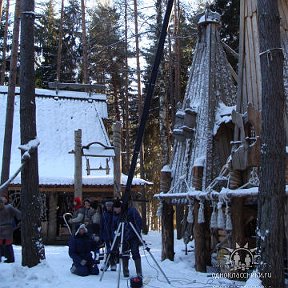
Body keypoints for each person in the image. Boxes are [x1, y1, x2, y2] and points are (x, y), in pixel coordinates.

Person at [112, 199, 143, 278]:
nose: (114, 210)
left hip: (133, 236)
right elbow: (114, 225)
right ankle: (125, 271)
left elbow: (139, 221)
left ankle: (139, 272)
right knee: (124, 253)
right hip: (123, 237)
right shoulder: (116, 215)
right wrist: (116, 233)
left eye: (115, 208)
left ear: (119, 207)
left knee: (135, 252)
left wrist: (138, 231)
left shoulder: (131, 211)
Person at [0, 197, 21, 263]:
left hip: (7, 229)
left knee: (7, 244)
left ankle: (10, 259)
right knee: (3, 244)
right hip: (4, 229)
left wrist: (19, 223)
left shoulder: (9, 208)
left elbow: (19, 215)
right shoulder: (9, 208)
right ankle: (8, 258)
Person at [100, 200, 117, 271]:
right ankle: (108, 263)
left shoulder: (115, 214)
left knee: (113, 249)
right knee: (108, 249)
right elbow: (101, 225)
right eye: (107, 206)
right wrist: (101, 235)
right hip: (106, 234)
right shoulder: (104, 214)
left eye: (110, 206)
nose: (108, 207)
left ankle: (112, 263)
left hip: (114, 234)